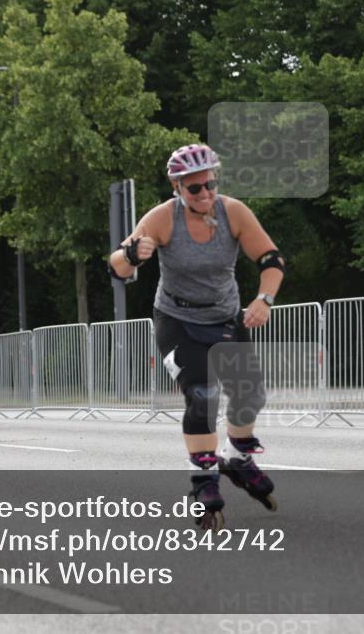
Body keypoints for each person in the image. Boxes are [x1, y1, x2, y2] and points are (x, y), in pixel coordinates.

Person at [107, 143, 285, 530]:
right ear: (177, 187)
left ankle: (239, 458)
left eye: (210, 184)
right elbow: (116, 265)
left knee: (250, 395)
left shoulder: (233, 212)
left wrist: (264, 299)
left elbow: (271, 260)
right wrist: (135, 254)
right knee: (203, 394)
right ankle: (204, 481)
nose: (204, 194)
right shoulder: (162, 219)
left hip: (224, 317)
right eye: (194, 188)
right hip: (177, 320)